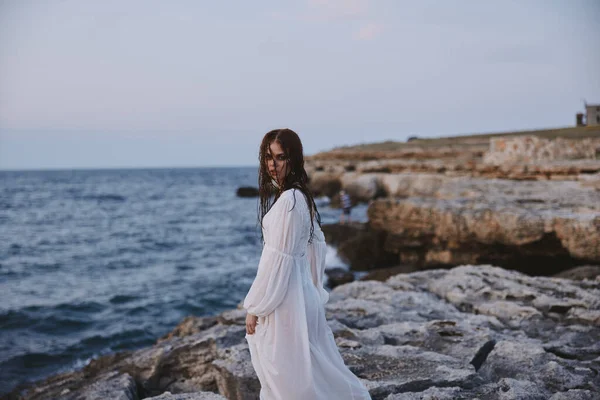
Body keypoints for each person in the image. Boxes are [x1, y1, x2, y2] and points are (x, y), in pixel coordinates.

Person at [243, 128, 372, 400]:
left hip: (288, 302)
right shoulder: (301, 197)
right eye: (268, 157)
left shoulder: (290, 200)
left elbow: (276, 260)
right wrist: (311, 288)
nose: (272, 164)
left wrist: (255, 306)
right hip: (300, 297)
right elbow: (316, 248)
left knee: (290, 381)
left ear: (294, 159)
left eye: (280, 157)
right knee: (311, 372)